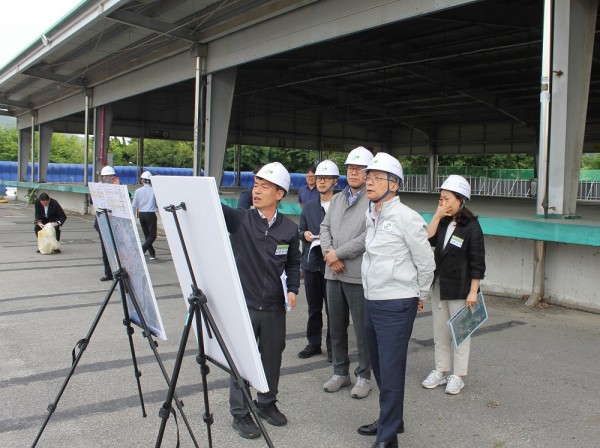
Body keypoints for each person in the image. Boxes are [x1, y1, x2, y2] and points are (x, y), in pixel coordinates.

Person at [357, 152, 435, 448]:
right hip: (372, 300)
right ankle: (392, 420)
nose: (370, 182)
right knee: (379, 367)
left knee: (390, 371)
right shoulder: (372, 213)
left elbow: (426, 262)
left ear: (395, 185)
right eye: (369, 177)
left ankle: (387, 439)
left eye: (377, 178)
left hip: (396, 303)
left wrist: (420, 294)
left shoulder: (407, 217)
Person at [220, 162, 301, 440]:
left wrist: (293, 289)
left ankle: (266, 403)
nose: (257, 191)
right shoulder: (241, 219)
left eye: (265, 187)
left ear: (279, 194)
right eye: (256, 185)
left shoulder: (289, 230)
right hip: (245, 305)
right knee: (241, 361)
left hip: (275, 308)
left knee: (271, 358)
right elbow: (217, 209)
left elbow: (293, 263)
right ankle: (240, 414)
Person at [421, 174, 486, 395]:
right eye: (440, 199)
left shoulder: (472, 227)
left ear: (460, 199)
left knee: (461, 333)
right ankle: (441, 370)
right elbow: (427, 239)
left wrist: (473, 291)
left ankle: (458, 375)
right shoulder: (443, 222)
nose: (443, 203)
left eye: (447, 199)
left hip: (461, 288)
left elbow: (478, 262)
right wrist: (437, 216)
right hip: (440, 285)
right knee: (440, 333)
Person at [320, 146, 373, 399]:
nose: (354, 172)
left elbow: (367, 236)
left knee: (362, 329)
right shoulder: (338, 198)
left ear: (368, 173)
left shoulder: (372, 200)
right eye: (351, 168)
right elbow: (324, 227)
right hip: (333, 273)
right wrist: (330, 254)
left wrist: (338, 254)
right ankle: (340, 372)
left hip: (355, 275)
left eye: (359, 169)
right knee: (336, 326)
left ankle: (364, 376)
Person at [297, 160, 339, 361]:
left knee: (333, 310)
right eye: (319, 178)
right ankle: (313, 343)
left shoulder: (341, 205)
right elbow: (300, 230)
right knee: (314, 308)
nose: (321, 182)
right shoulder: (309, 207)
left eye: (326, 178)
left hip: (333, 265)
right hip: (312, 264)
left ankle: (333, 348)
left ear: (335, 181)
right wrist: (303, 234)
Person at [94, 165, 119, 281]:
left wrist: (117, 188)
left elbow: (127, 198)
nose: (107, 179)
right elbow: (91, 201)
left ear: (114, 177)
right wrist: (98, 189)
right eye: (105, 177)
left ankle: (118, 271)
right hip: (102, 221)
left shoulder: (119, 187)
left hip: (116, 222)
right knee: (105, 248)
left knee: (117, 248)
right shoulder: (99, 188)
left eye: (110, 177)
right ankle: (108, 272)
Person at [131, 171, 158, 260]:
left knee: (147, 235)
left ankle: (152, 254)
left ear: (142, 180)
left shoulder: (138, 191)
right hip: (150, 214)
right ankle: (141, 251)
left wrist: (131, 214)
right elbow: (157, 204)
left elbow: (134, 204)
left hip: (141, 214)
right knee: (152, 236)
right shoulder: (154, 190)